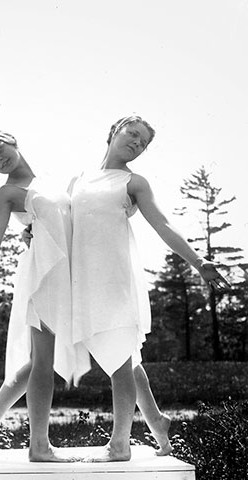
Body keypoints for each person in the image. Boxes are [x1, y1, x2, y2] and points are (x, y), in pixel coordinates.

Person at [69, 115, 229, 461]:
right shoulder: (78, 180)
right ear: (114, 131)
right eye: (132, 134)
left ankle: (120, 444)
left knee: (119, 357)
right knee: (121, 355)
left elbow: (164, 225)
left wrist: (199, 262)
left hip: (114, 280)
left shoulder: (134, 182)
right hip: (83, 279)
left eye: (143, 143)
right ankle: (157, 422)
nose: (136, 144)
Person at [0, 131, 89, 462]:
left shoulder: (51, 180)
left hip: (69, 270)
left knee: (37, 361)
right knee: (44, 360)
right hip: (43, 274)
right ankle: (39, 445)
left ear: (14, 143)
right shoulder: (7, 193)